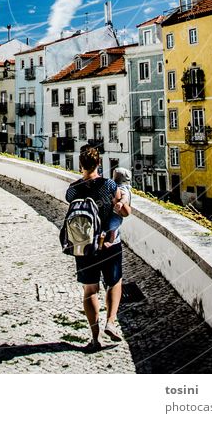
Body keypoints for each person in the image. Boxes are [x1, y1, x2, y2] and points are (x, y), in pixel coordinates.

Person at [65, 145, 131, 352]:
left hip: (84, 246)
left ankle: (95, 338)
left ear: (80, 165)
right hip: (109, 244)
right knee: (114, 283)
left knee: (90, 290)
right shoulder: (110, 185)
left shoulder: (73, 189)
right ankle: (111, 322)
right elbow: (124, 209)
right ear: (98, 164)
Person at [105, 167, 132, 246]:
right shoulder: (122, 188)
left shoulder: (121, 188)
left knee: (113, 225)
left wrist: (121, 203)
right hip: (116, 212)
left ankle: (111, 241)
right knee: (113, 226)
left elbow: (124, 197)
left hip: (116, 213)